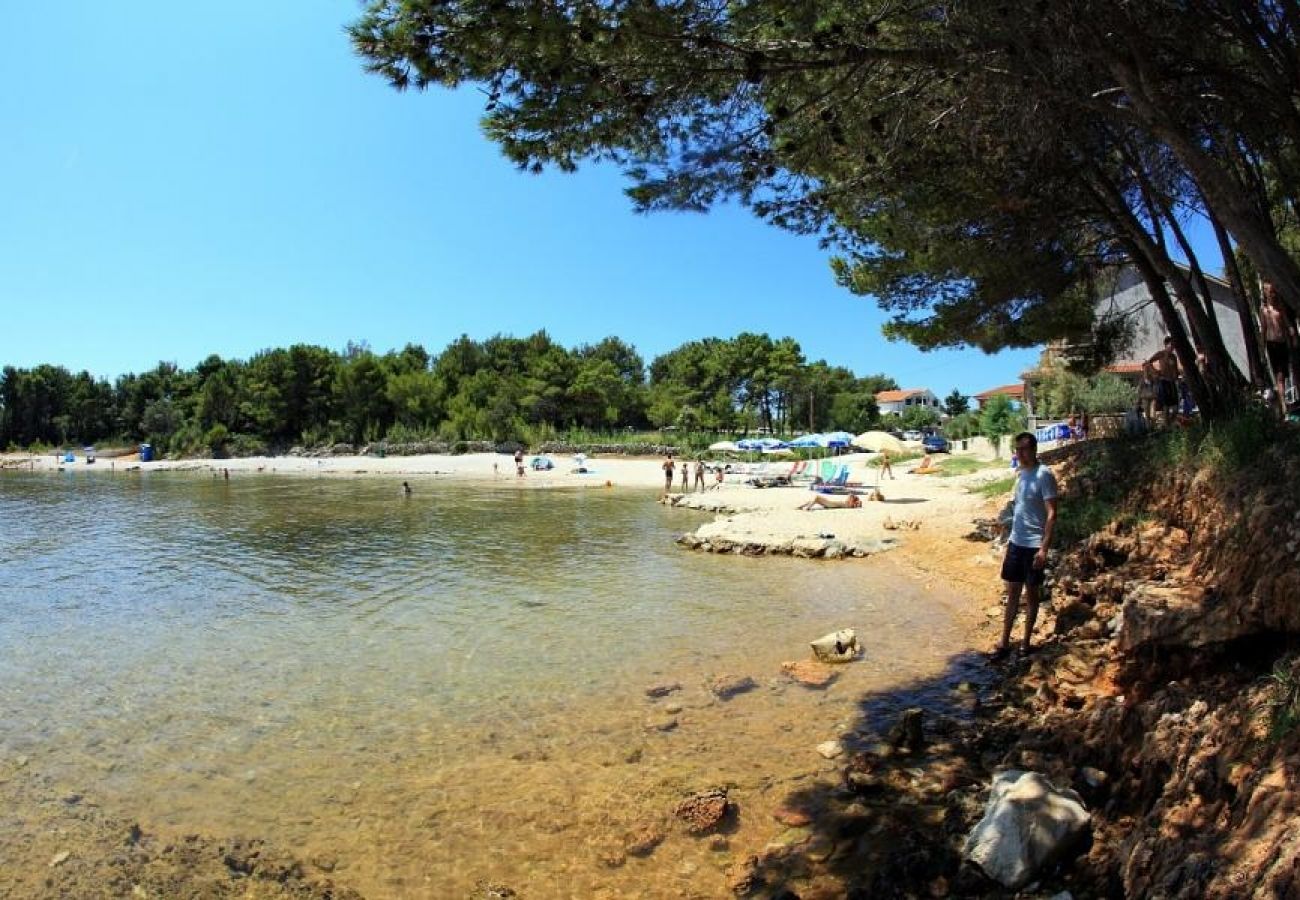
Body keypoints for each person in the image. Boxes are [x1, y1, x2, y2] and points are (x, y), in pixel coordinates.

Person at [991, 432, 1059, 660]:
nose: (1019, 454)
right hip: (1016, 542)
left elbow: (1052, 514)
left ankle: (1026, 643)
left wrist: (1043, 549)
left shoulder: (1044, 475)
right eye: (1017, 449)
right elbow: (1019, 508)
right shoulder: (1021, 474)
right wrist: (1006, 529)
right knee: (1012, 593)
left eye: (1023, 449)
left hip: (1033, 546)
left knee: (1031, 595)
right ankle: (1004, 642)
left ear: (1033, 450)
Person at [1261, 282, 1294, 418]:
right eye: (1268, 291)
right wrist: (1262, 347)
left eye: (1272, 291)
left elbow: (1287, 325)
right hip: (1271, 344)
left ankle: (1286, 402)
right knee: (1279, 376)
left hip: (1282, 343)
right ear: (1265, 293)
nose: (1271, 293)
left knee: (1285, 375)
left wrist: (1292, 334)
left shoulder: (1280, 308)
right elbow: (1263, 329)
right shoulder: (1263, 310)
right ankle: (1284, 407)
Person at [1146, 337, 1180, 426]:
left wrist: (1177, 377)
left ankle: (1169, 422)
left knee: (1176, 408)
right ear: (1166, 345)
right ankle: (1167, 426)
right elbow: (1149, 362)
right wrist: (1155, 372)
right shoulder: (1161, 354)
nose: (1173, 347)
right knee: (1166, 406)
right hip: (1164, 382)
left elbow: (1176, 369)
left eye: (1174, 346)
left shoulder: (1173, 357)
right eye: (1171, 345)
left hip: (1172, 383)